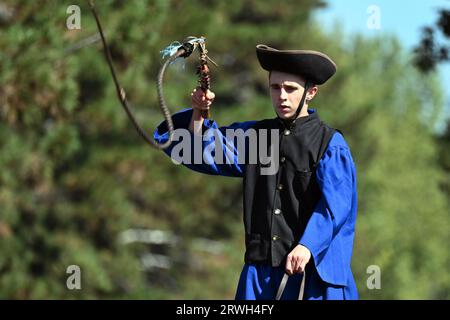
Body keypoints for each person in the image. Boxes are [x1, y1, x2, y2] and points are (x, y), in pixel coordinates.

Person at [154, 44, 358, 300]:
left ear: (311, 92)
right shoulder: (258, 138)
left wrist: (307, 245)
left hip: (314, 278)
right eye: (275, 88)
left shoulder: (329, 144)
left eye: (290, 89)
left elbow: (335, 207)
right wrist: (198, 113)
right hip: (259, 278)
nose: (282, 96)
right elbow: (196, 151)